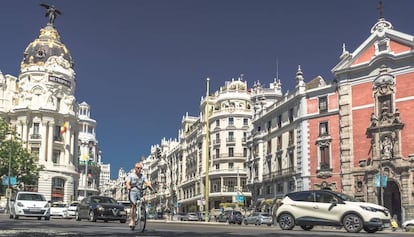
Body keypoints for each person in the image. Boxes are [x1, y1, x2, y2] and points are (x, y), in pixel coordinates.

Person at [126, 162, 153, 228]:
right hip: (132, 192)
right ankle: (132, 220)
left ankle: (141, 213)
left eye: (141, 168)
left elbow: (147, 182)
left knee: (143, 202)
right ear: (135, 168)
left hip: (140, 192)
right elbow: (127, 183)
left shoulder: (143, 176)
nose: (139, 169)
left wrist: (151, 187)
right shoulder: (131, 175)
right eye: (138, 168)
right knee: (133, 205)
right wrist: (128, 186)